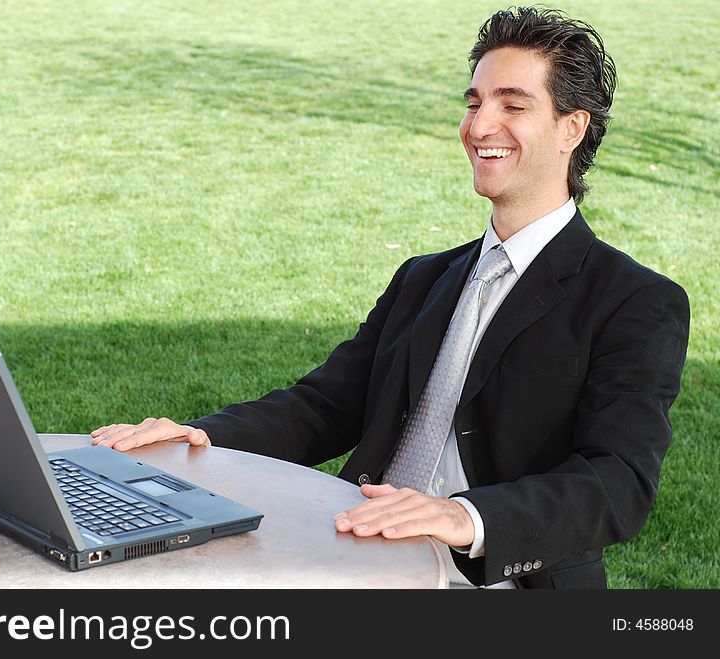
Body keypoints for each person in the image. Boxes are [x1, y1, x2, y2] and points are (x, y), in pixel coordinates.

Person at [90, 7, 689, 589]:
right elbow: (326, 406)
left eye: (513, 105)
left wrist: (465, 516)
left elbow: (618, 480)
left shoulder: (634, 301)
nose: (480, 127)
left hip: (498, 581)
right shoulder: (425, 278)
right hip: (360, 554)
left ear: (571, 128)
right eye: (475, 103)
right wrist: (201, 438)